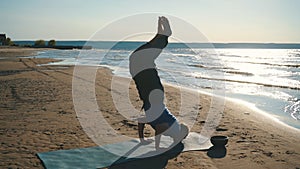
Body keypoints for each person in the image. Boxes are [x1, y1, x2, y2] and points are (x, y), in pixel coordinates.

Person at [129, 16, 189, 151]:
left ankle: (160, 35)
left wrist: (142, 140)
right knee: (142, 60)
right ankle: (163, 37)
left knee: (138, 59)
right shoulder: (175, 129)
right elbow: (160, 129)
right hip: (154, 95)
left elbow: (141, 120)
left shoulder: (173, 128)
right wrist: (157, 148)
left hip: (149, 97)